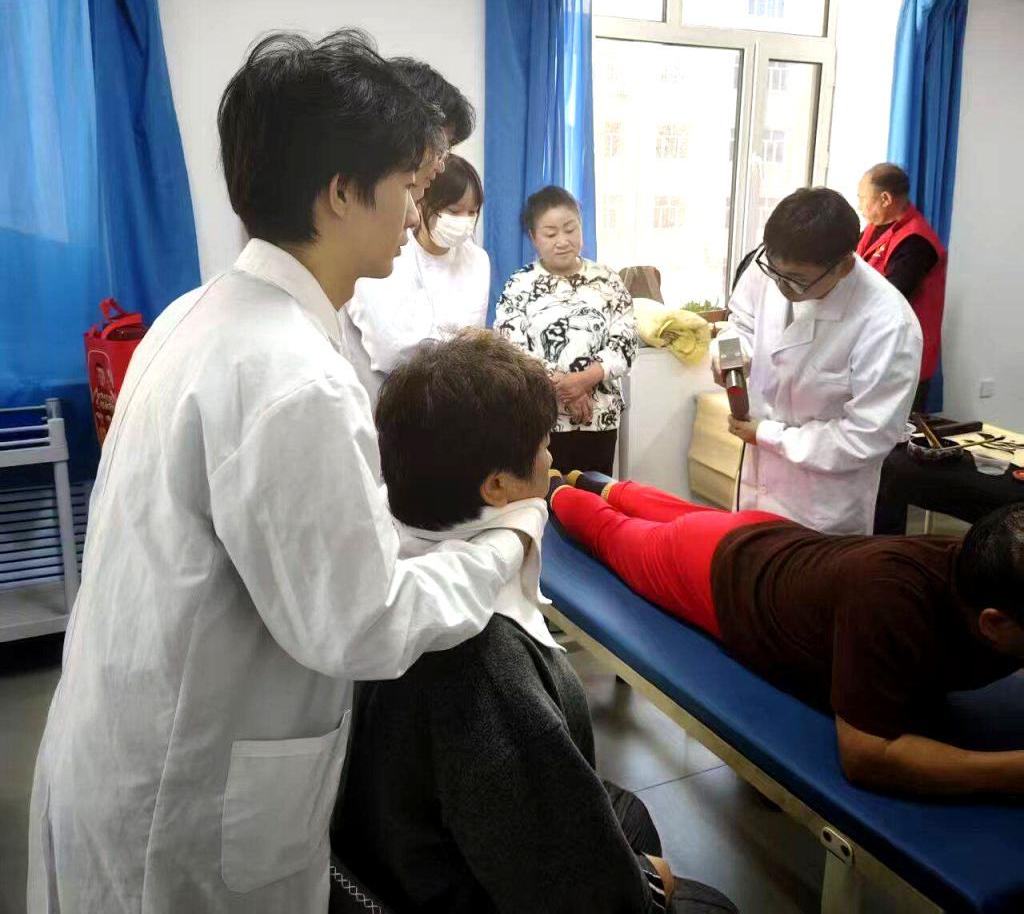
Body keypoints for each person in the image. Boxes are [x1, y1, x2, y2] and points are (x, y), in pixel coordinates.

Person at [26, 31, 539, 914]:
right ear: (341, 192)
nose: (415, 214)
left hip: (124, 745)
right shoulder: (292, 376)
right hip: (185, 808)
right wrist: (506, 542)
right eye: (408, 187)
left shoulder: (199, 315)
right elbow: (363, 625)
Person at [332, 330, 738, 914]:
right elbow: (579, 897)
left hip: (400, 840)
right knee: (710, 903)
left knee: (632, 814)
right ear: (497, 485)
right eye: (546, 447)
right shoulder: (485, 666)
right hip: (444, 886)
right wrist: (649, 885)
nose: (551, 461)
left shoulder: (379, 567)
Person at [550, 472, 1024, 798]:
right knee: (612, 533)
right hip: (716, 569)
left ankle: (596, 482)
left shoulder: (981, 566)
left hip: (773, 537)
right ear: (994, 623)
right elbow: (867, 755)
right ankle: (555, 488)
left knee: (676, 511)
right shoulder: (891, 600)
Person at [715, 187, 922, 535]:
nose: (782, 288)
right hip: (756, 486)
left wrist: (768, 434)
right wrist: (732, 354)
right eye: (775, 273)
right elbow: (741, 323)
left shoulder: (888, 324)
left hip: (821, 507)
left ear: (844, 266)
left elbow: (865, 437)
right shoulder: (773, 263)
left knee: (805, 569)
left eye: (798, 281)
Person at [339, 57, 476, 401]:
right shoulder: (374, 220)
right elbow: (397, 346)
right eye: (440, 147)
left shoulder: (404, 213)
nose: (443, 163)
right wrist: (473, 351)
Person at [495, 185, 637, 478]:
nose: (562, 241)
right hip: (542, 420)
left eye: (570, 229)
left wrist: (584, 380)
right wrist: (565, 386)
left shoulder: (607, 280)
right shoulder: (519, 284)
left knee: (597, 497)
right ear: (533, 237)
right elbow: (511, 347)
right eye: (550, 234)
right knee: (548, 497)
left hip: (599, 417)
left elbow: (625, 342)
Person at [344, 155, 490, 401]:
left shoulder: (477, 259)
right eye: (453, 211)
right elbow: (394, 350)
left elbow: (474, 341)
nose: (464, 221)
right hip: (388, 396)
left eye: (472, 212)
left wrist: (449, 343)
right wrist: (458, 344)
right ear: (421, 203)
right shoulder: (391, 251)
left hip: (456, 397)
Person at [856, 162, 947, 413]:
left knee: (898, 431)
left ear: (885, 199)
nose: (859, 205)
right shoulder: (873, 229)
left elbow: (890, 297)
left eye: (863, 198)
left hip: (901, 356)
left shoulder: (916, 240)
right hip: (872, 350)